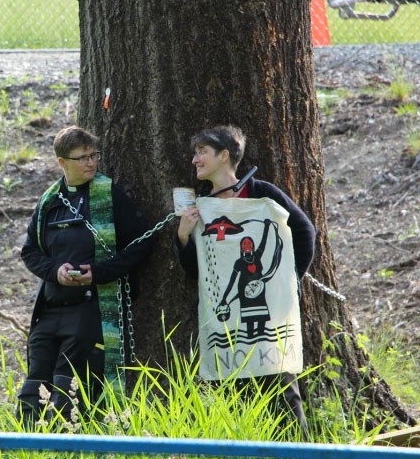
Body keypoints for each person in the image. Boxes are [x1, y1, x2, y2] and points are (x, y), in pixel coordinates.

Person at [176, 125, 316, 436]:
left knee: (281, 387)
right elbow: (197, 269)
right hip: (228, 320)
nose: (195, 160)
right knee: (235, 392)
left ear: (224, 156)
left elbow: (304, 232)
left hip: (267, 310)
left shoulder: (261, 192)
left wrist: (286, 281)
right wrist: (184, 236)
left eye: (202, 153)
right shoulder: (203, 205)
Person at [17, 125, 153, 427]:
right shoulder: (49, 202)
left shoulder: (108, 194)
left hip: (89, 311)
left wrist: (99, 273)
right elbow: (29, 252)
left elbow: (143, 240)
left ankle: (69, 457)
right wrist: (56, 271)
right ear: (62, 162)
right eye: (82, 158)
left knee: (67, 393)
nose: (91, 163)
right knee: (32, 392)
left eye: (94, 155)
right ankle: (27, 455)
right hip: (49, 312)